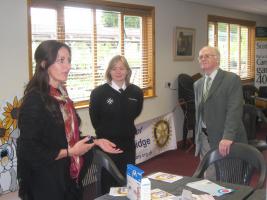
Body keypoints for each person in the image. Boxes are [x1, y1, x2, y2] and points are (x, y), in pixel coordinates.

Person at [17, 40, 122, 200]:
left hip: (69, 176)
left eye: (69, 60)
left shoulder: (61, 94)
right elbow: (29, 151)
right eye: (61, 60)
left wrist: (96, 141)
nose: (68, 66)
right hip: (46, 183)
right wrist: (70, 152)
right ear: (44, 64)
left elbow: (68, 137)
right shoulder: (35, 100)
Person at [89, 55, 143, 193]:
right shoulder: (98, 93)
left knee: (129, 182)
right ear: (109, 71)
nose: (118, 72)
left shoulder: (136, 92)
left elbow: (135, 113)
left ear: (127, 71)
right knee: (109, 185)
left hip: (128, 145)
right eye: (114, 68)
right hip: (107, 145)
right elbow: (95, 118)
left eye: (121, 68)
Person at [194, 46, 247, 178]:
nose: (203, 58)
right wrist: (198, 137)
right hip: (205, 138)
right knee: (209, 176)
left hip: (225, 138)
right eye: (200, 57)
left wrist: (228, 136)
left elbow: (234, 110)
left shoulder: (231, 79)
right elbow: (200, 113)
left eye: (207, 55)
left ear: (217, 59)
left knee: (229, 177)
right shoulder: (198, 84)